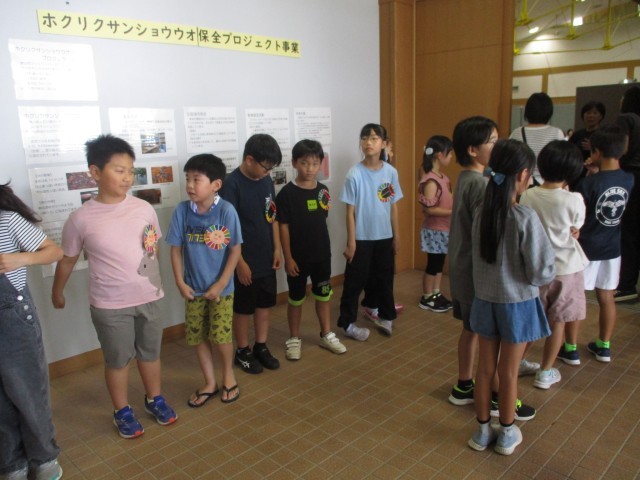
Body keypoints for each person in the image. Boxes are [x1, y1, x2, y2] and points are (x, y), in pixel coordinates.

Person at [52, 134, 177, 439]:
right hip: (110, 304)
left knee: (150, 353)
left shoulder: (144, 208)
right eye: (119, 170)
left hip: (149, 297)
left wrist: (154, 283)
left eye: (130, 171)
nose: (127, 177)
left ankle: (154, 399)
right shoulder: (80, 218)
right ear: (95, 172)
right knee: (118, 360)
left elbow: (153, 249)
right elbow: (67, 260)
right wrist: (57, 291)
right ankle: (121, 410)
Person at [467, 139, 555, 456]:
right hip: (517, 304)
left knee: (484, 370)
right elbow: (542, 271)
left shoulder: (481, 213)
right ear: (521, 175)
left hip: (484, 301)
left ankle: (482, 432)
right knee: (508, 372)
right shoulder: (523, 217)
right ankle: (506, 432)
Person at [166, 154, 242, 405]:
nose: (189, 185)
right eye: (187, 179)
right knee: (197, 337)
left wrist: (220, 284)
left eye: (196, 179)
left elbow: (235, 250)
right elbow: (175, 250)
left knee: (221, 336)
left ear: (216, 184)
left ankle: (228, 377)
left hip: (222, 290)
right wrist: (180, 282)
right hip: (193, 289)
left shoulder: (226, 211)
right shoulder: (182, 211)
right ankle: (210, 382)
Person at [0, 183, 63, 480]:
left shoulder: (7, 220)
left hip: (12, 316)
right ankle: (12, 462)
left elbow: (54, 251)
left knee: (26, 390)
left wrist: (19, 259)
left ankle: (43, 457)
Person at [519, 141, 588, 388]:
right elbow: (576, 226)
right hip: (566, 270)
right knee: (558, 322)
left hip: (535, 268)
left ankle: (518, 361)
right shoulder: (574, 199)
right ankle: (545, 373)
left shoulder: (527, 195)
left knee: (532, 321)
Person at [276, 139, 347, 360]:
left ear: (320, 164)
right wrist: (288, 257)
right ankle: (294, 338)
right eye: (304, 163)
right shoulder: (286, 193)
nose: (310, 168)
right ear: (294, 163)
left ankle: (326, 334)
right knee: (296, 299)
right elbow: (283, 227)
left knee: (323, 296)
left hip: (321, 256)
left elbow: (321, 220)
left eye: (315, 163)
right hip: (297, 258)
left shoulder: (323, 190)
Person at [219, 133, 283, 374]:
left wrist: (277, 248)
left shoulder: (265, 181)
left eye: (271, 168)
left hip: (266, 255)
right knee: (243, 308)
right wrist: (240, 263)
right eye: (265, 167)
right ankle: (243, 350)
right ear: (249, 160)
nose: (268, 173)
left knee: (264, 304)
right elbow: (226, 230)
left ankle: (261, 346)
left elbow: (272, 216)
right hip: (243, 260)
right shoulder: (231, 184)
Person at [337, 123, 403, 339]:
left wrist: (396, 235)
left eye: (374, 138)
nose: (368, 142)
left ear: (384, 143)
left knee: (384, 278)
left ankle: (386, 316)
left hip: (384, 236)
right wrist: (351, 242)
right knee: (354, 281)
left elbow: (393, 206)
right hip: (362, 238)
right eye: (364, 138)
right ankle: (347, 323)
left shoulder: (391, 172)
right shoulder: (354, 174)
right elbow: (349, 212)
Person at [574, 124, 634, 362]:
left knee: (577, 297)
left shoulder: (588, 184)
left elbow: (580, 213)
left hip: (586, 248)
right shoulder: (628, 179)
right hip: (612, 248)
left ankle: (569, 346)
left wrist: (590, 174)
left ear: (596, 152)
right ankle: (604, 345)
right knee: (606, 297)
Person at [448, 116, 497, 405]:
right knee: (486, 334)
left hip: (463, 267)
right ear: (473, 150)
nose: (497, 146)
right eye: (493, 141)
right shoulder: (479, 184)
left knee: (470, 330)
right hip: (474, 272)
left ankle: (464, 384)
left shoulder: (467, 178)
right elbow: (485, 233)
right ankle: (491, 393)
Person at [417, 135, 453, 313]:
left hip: (444, 228)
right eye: (449, 153)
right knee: (433, 264)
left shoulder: (443, 178)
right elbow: (430, 209)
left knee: (439, 263)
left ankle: (436, 292)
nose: (451, 157)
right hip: (434, 229)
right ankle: (427, 296)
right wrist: (453, 212)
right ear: (440, 155)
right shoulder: (431, 180)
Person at [614, 85, 640, 302]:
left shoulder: (626, 119)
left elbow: (620, 148)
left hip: (631, 177)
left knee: (628, 233)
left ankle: (627, 285)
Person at [509, 92, 565, 185]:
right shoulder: (557, 133)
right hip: (549, 184)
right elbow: (563, 163)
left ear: (527, 111)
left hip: (522, 183)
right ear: (549, 112)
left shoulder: (516, 133)